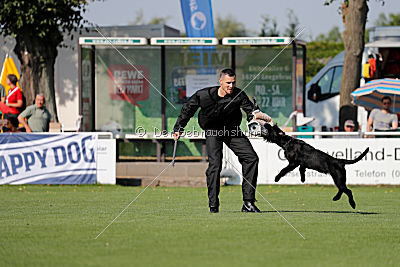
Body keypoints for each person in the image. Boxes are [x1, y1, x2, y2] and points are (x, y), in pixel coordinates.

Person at [173, 68, 270, 213]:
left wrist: (254, 118)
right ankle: (213, 205)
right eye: (228, 83)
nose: (231, 86)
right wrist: (178, 128)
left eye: (233, 82)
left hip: (232, 130)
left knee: (251, 158)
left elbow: (251, 111)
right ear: (220, 81)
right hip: (213, 130)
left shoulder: (239, 94)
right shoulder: (204, 95)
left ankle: (248, 203)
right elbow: (188, 109)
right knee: (215, 165)